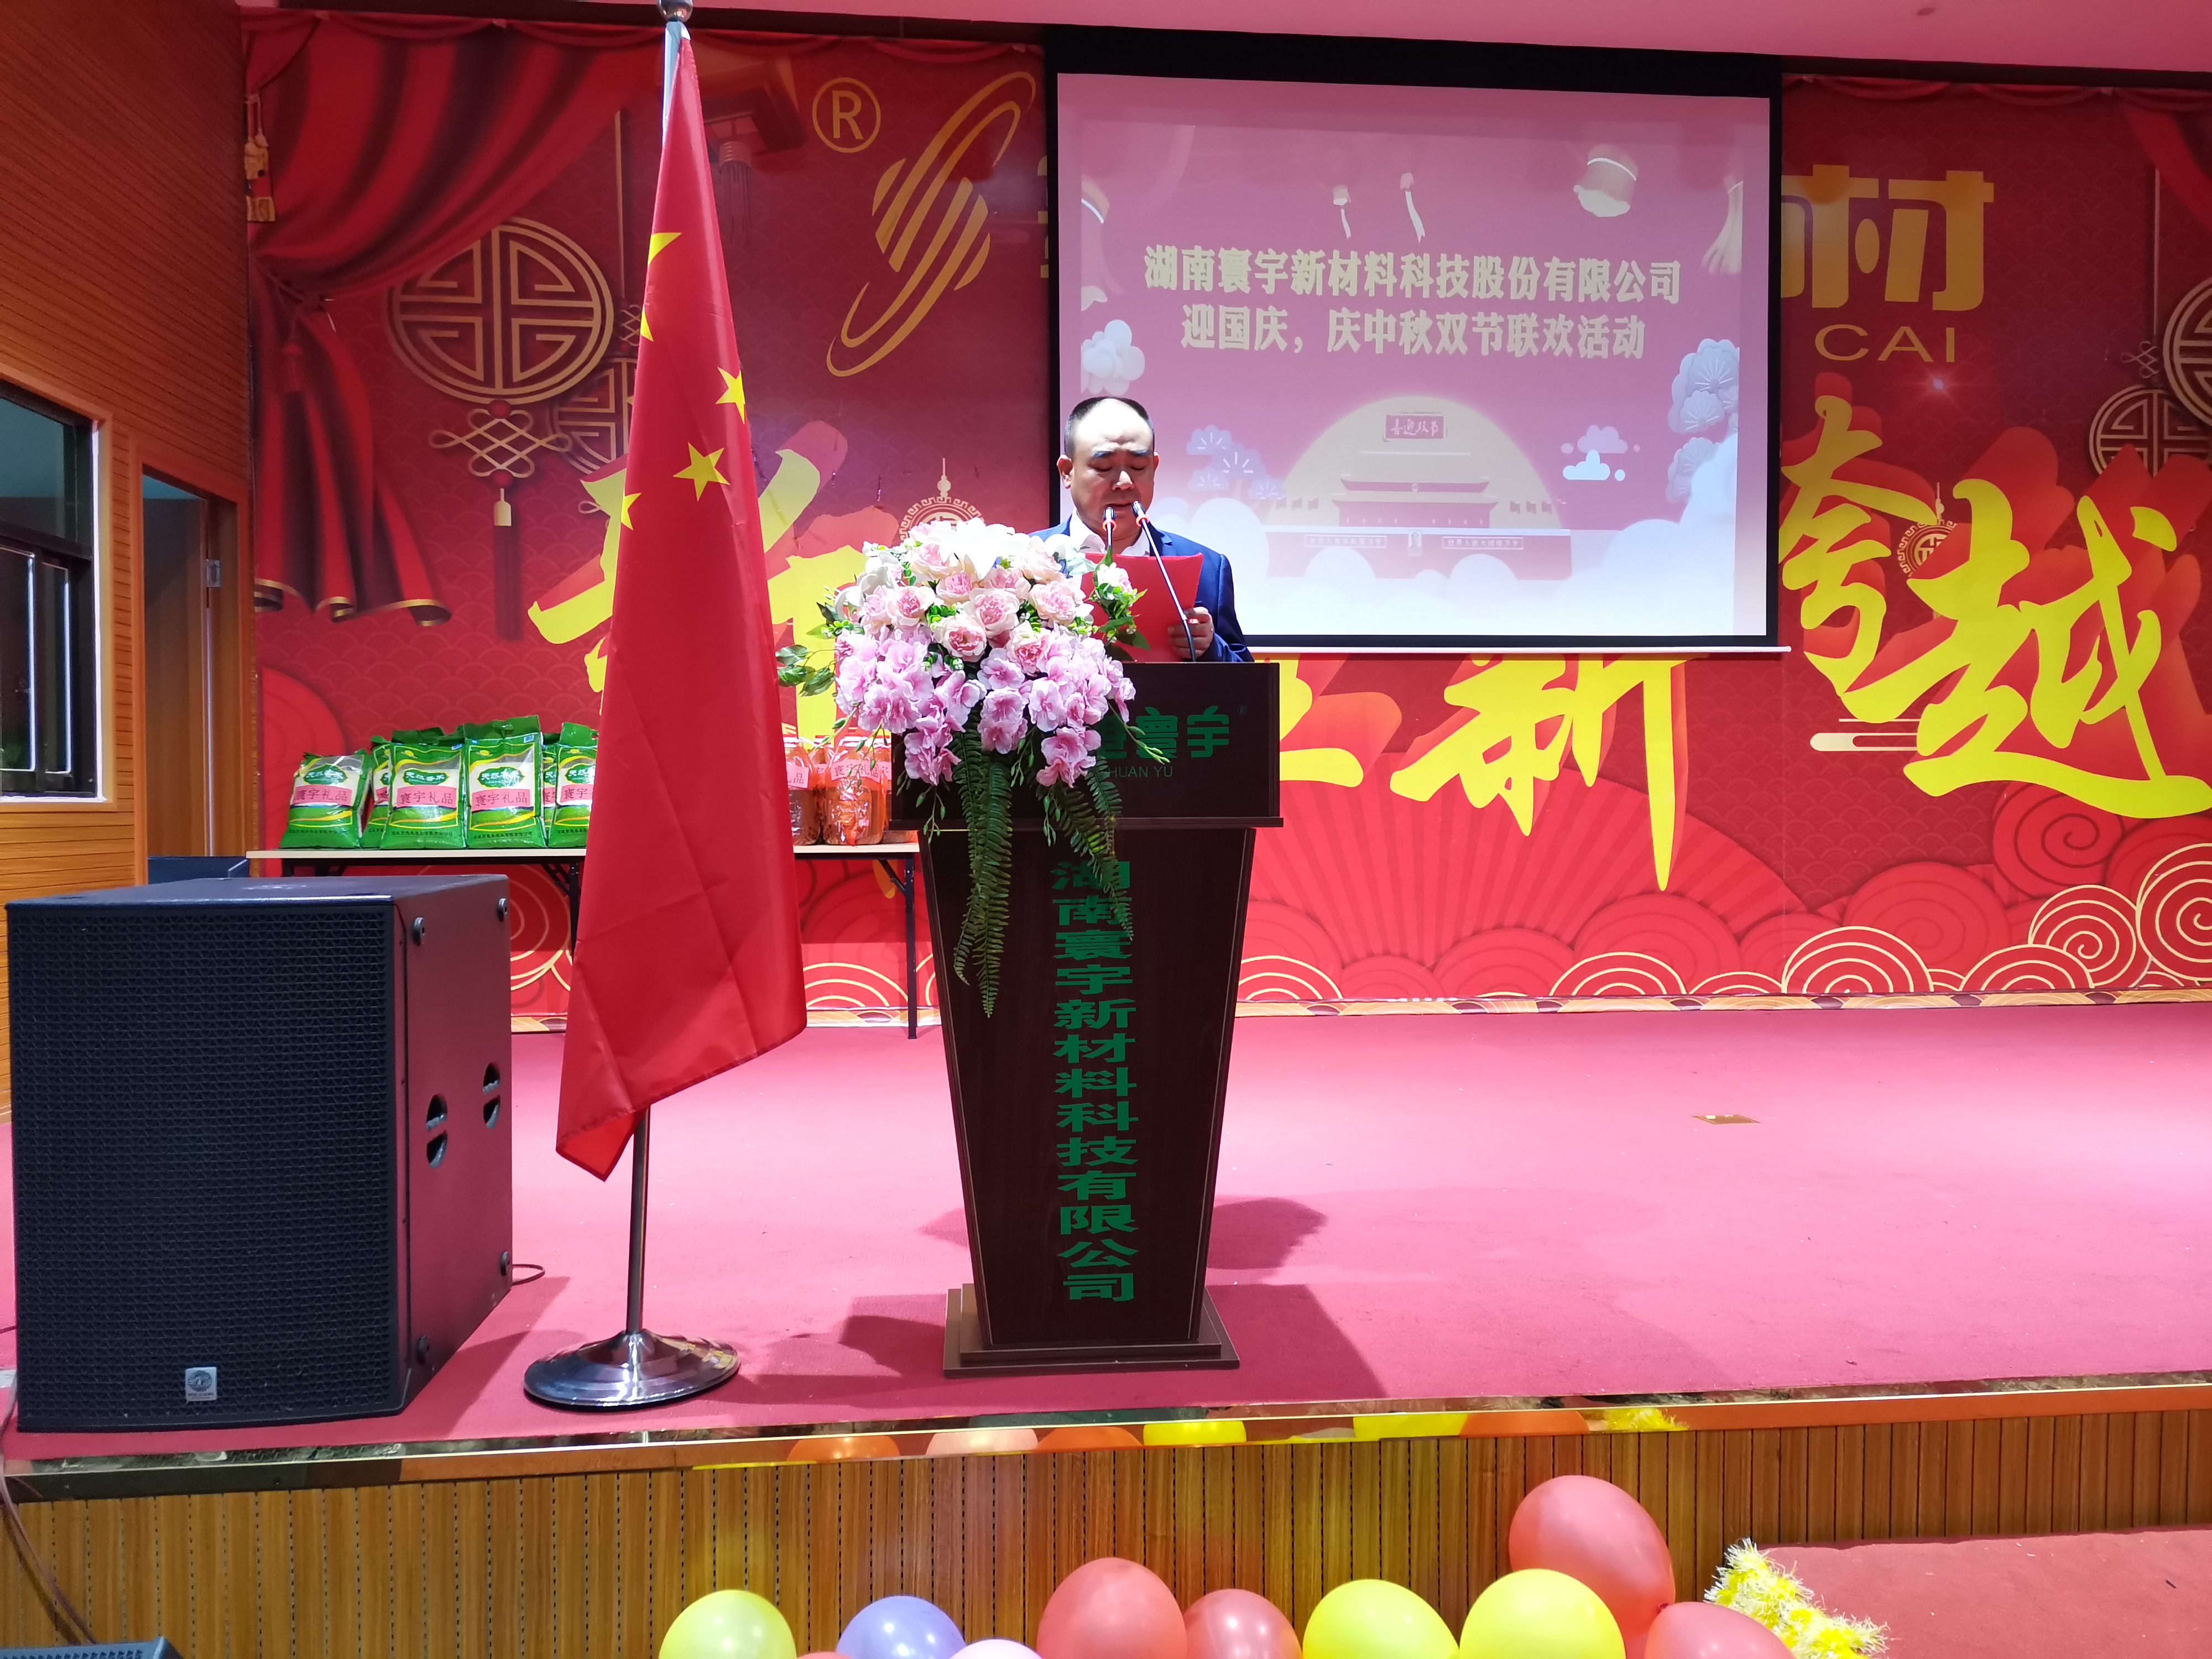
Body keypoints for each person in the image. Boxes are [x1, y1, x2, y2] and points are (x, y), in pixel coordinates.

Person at [1040, 395, 1254, 662]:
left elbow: (1248, 679)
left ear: (1154, 467)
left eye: (1138, 467)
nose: (1124, 482)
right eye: (1104, 467)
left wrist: (1210, 647)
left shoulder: (1208, 568)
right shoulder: (1025, 561)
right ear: (1067, 472)